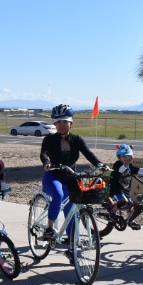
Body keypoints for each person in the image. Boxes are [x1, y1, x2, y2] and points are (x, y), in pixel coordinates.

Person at [39, 104, 103, 261]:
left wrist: (100, 165)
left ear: (71, 123)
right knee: (59, 195)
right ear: (54, 124)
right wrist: (46, 162)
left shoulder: (77, 140)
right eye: (58, 122)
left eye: (65, 122)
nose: (61, 125)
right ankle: (49, 229)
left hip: (70, 177)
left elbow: (88, 153)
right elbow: (44, 153)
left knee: (71, 211)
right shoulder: (49, 139)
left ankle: (72, 247)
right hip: (52, 176)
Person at [106, 144, 143, 230]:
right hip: (116, 189)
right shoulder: (117, 164)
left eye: (128, 156)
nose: (126, 158)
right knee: (124, 201)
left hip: (125, 189)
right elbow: (121, 170)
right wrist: (128, 162)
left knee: (130, 204)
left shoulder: (129, 166)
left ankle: (130, 220)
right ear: (119, 156)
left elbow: (136, 170)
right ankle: (112, 212)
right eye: (124, 157)